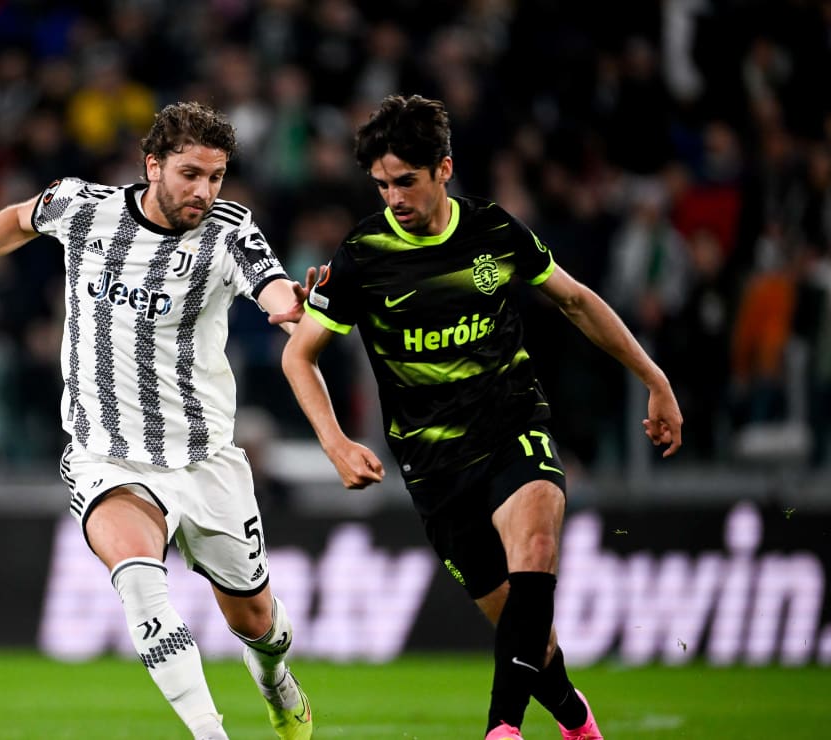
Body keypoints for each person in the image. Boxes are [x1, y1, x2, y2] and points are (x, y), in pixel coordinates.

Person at [0, 102, 314, 740]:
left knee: (257, 618)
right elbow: (14, 220)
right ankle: (210, 734)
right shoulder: (82, 207)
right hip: (106, 454)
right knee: (142, 585)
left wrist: (292, 308)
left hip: (204, 458)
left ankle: (275, 677)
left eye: (217, 176)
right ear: (153, 166)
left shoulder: (229, 230)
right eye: (190, 174)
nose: (204, 190)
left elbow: (272, 284)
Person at [281, 94, 683, 740]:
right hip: (435, 466)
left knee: (539, 546)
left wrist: (654, 380)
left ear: (443, 169)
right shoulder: (363, 256)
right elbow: (300, 356)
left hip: (511, 426)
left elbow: (576, 302)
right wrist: (334, 442)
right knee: (527, 629)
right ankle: (576, 719)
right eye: (381, 185)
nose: (393, 197)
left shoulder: (493, 232)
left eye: (405, 181)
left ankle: (502, 729)